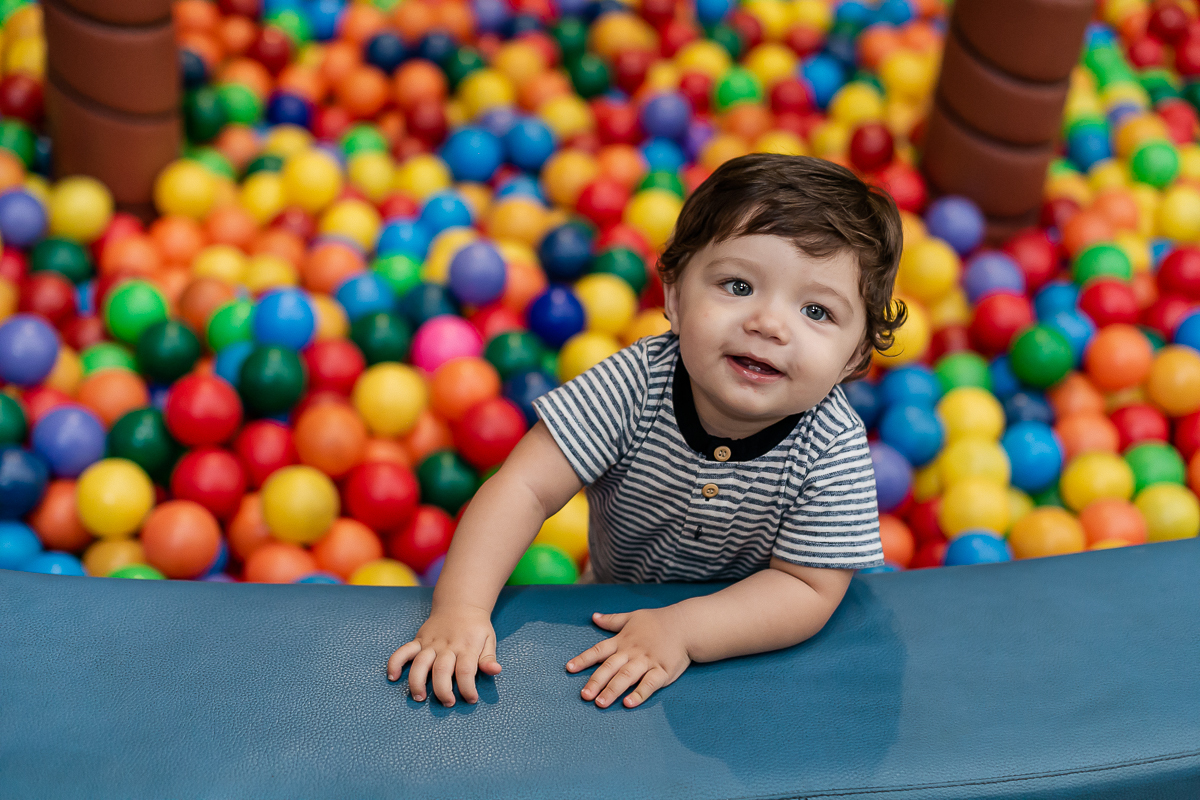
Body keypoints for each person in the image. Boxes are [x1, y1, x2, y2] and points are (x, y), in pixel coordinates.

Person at [387, 153, 906, 710]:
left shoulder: (831, 445)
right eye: (737, 286)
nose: (769, 324)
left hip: (746, 637)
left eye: (816, 312)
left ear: (855, 355)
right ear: (676, 297)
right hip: (610, 598)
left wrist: (683, 629)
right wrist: (461, 609)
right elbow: (524, 487)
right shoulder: (636, 383)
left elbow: (808, 587)